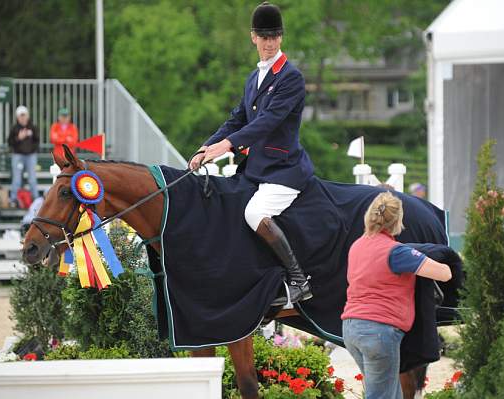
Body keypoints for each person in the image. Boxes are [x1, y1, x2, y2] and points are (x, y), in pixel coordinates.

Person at [189, 2, 314, 306]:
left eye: (274, 37)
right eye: (264, 36)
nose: (269, 42)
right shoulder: (252, 78)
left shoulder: (291, 77)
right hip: (258, 167)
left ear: (280, 38)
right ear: (253, 37)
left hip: (284, 168)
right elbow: (237, 119)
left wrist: (227, 146)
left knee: (254, 213)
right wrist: (207, 147)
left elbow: (267, 122)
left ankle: (299, 280)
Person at [341, 191, 452, 399]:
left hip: (351, 328)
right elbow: (445, 274)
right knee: (382, 396)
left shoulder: (357, 246)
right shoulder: (398, 252)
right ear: (398, 220)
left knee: (391, 393)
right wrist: (421, 251)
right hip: (379, 331)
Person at [8, 106, 40, 206]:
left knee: (32, 179)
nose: (23, 118)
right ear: (17, 117)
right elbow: (10, 142)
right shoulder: (14, 129)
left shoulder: (33, 127)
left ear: (27, 116)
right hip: (18, 156)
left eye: (24, 115)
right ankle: (13, 199)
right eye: (20, 116)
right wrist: (19, 138)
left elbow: (37, 140)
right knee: (17, 179)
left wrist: (32, 149)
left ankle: (36, 199)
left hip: (31, 156)